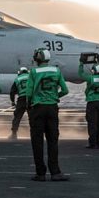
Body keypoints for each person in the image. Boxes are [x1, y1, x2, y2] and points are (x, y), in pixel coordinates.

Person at [26, 48, 70, 182]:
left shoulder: (33, 72)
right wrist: (55, 96)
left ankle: (40, 174)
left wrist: (29, 106)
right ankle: (55, 172)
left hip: (38, 108)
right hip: (52, 108)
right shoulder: (56, 70)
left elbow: (28, 92)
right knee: (53, 141)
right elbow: (65, 90)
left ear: (37, 59)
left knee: (37, 142)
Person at [78, 59, 99, 149]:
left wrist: (81, 63)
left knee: (92, 123)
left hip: (92, 103)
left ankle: (92, 143)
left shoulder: (91, 78)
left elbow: (80, 74)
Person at [9, 67, 30, 139]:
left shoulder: (17, 79)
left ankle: (14, 133)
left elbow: (12, 92)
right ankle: (37, 133)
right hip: (31, 99)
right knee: (34, 117)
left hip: (21, 99)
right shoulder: (31, 77)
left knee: (17, 117)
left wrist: (12, 101)